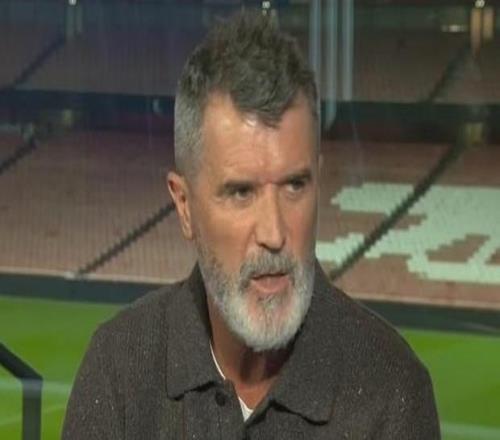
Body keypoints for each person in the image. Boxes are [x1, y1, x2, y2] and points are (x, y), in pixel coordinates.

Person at [62, 12, 440, 439]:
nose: (274, 234)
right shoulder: (119, 369)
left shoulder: (393, 389)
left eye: (294, 186)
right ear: (184, 206)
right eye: (241, 192)